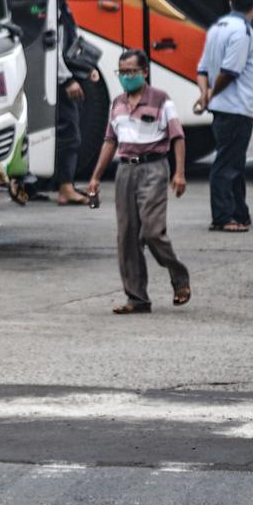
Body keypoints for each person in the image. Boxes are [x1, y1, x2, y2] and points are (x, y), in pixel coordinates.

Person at [87, 51, 191, 314]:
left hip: (154, 168)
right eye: (122, 72)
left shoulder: (160, 99)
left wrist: (179, 173)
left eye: (132, 72)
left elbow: (177, 137)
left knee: (152, 232)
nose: (127, 77)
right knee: (127, 236)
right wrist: (96, 176)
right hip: (125, 171)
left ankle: (179, 276)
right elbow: (110, 141)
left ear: (144, 72)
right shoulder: (117, 103)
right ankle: (137, 298)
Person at [194, 0, 253, 232]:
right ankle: (223, 217)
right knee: (226, 165)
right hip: (236, 106)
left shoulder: (217, 26)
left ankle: (239, 213)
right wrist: (209, 94)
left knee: (234, 162)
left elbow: (202, 69)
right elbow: (230, 71)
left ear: (230, 1)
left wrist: (205, 94)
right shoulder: (242, 31)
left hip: (224, 107)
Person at [53, 0, 89, 206]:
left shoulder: (56, 3)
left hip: (58, 79)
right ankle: (66, 188)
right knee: (70, 133)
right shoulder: (53, 8)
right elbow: (52, 48)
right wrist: (67, 80)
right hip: (58, 82)